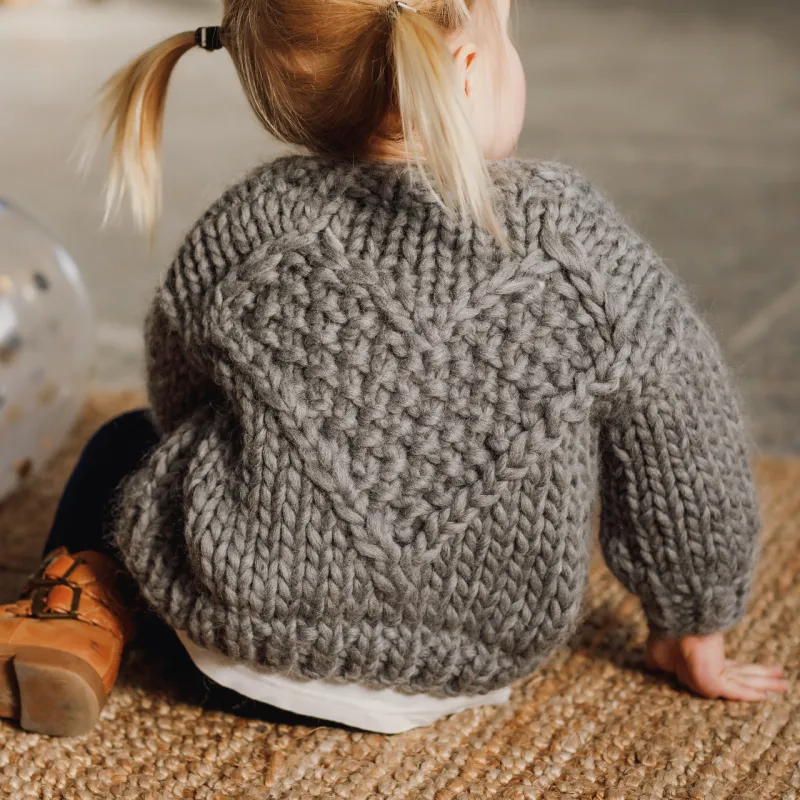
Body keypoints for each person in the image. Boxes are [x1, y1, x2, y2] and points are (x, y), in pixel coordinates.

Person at [0, 0, 788, 738]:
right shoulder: (577, 243)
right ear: (473, 63)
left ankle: (76, 607)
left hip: (237, 650)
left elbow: (180, 396)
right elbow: (685, 444)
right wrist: (692, 621)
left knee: (124, 441)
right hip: (472, 661)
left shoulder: (255, 224)